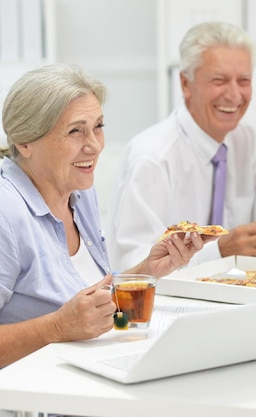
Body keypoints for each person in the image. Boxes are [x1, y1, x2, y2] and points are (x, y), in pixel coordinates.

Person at [0, 64, 216, 368]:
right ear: (25, 142)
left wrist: (146, 271)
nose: (95, 145)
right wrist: (56, 327)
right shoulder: (6, 213)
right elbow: (68, 322)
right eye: (76, 131)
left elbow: (92, 307)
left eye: (98, 127)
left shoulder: (80, 191)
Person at [107, 21, 256, 271]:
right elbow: (133, 266)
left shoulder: (245, 140)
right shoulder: (153, 158)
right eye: (219, 80)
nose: (234, 95)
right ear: (185, 84)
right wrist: (219, 251)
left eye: (244, 80)